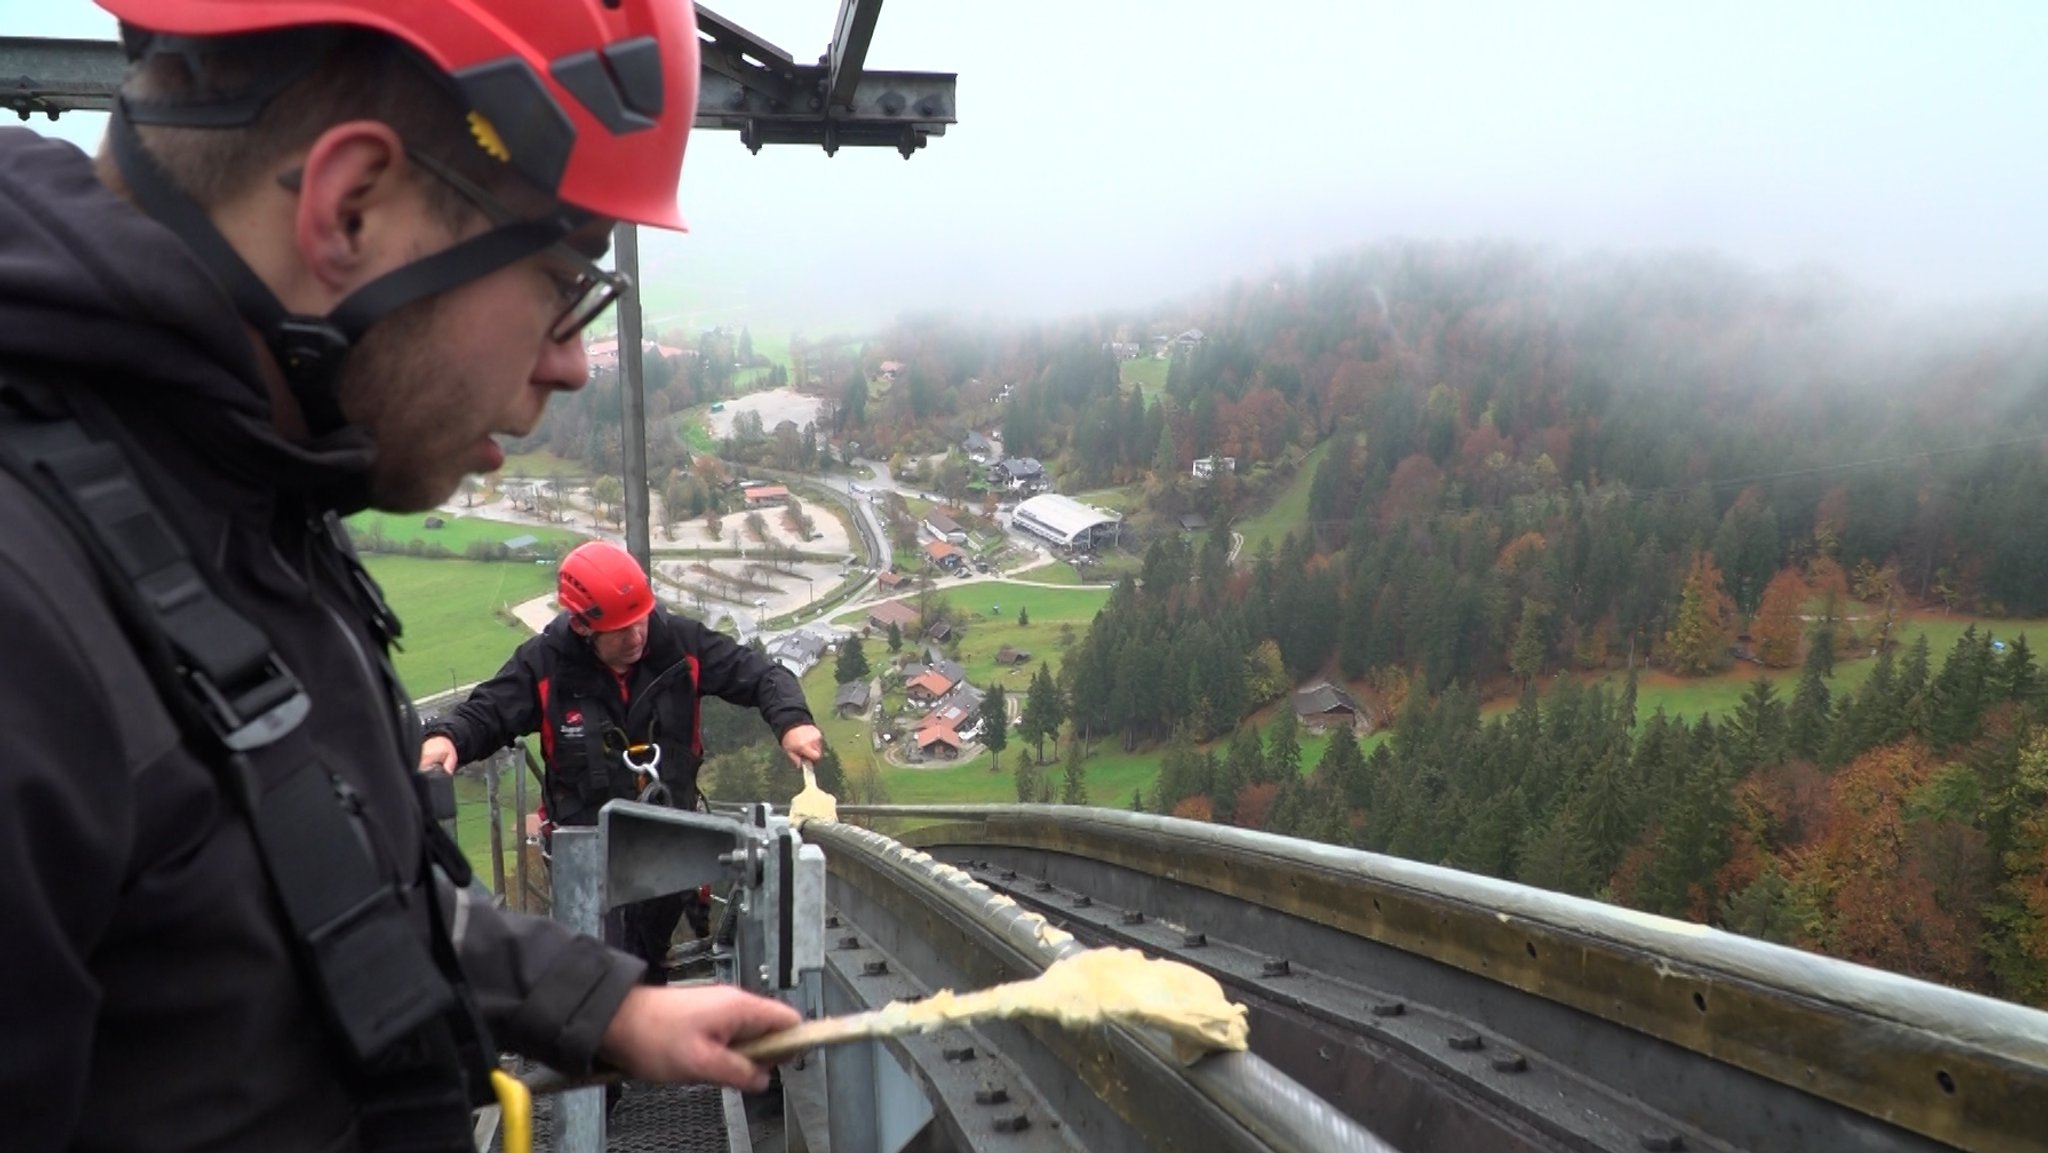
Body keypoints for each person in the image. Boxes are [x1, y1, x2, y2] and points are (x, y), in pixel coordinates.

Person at [0, 3, 801, 1151]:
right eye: (561, 277)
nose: (572, 362)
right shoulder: (34, 615)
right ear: (352, 207)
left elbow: (318, 899)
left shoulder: (229, 506)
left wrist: (613, 1007)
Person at [420, 540, 826, 977]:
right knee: (599, 963)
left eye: (640, 622)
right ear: (582, 627)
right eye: (621, 629)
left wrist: (792, 722)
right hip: (588, 852)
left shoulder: (679, 646)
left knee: (647, 957)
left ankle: (645, 1009)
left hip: (668, 841)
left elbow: (763, 675)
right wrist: (449, 738)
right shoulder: (546, 666)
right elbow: (490, 710)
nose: (637, 637)